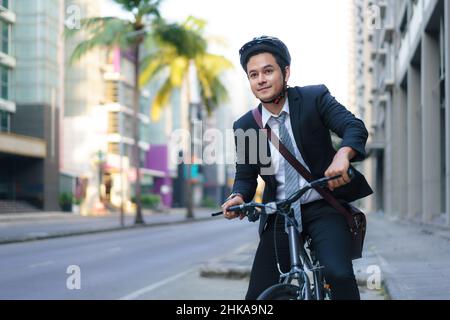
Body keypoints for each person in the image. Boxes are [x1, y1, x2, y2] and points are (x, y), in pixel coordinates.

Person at [221, 35, 373, 300]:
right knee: (257, 295)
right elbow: (246, 177)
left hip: (322, 205)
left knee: (338, 274)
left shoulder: (314, 99)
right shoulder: (247, 125)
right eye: (253, 74)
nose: (261, 79)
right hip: (280, 212)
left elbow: (353, 127)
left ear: (286, 72)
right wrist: (238, 196)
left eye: (268, 71)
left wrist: (343, 156)